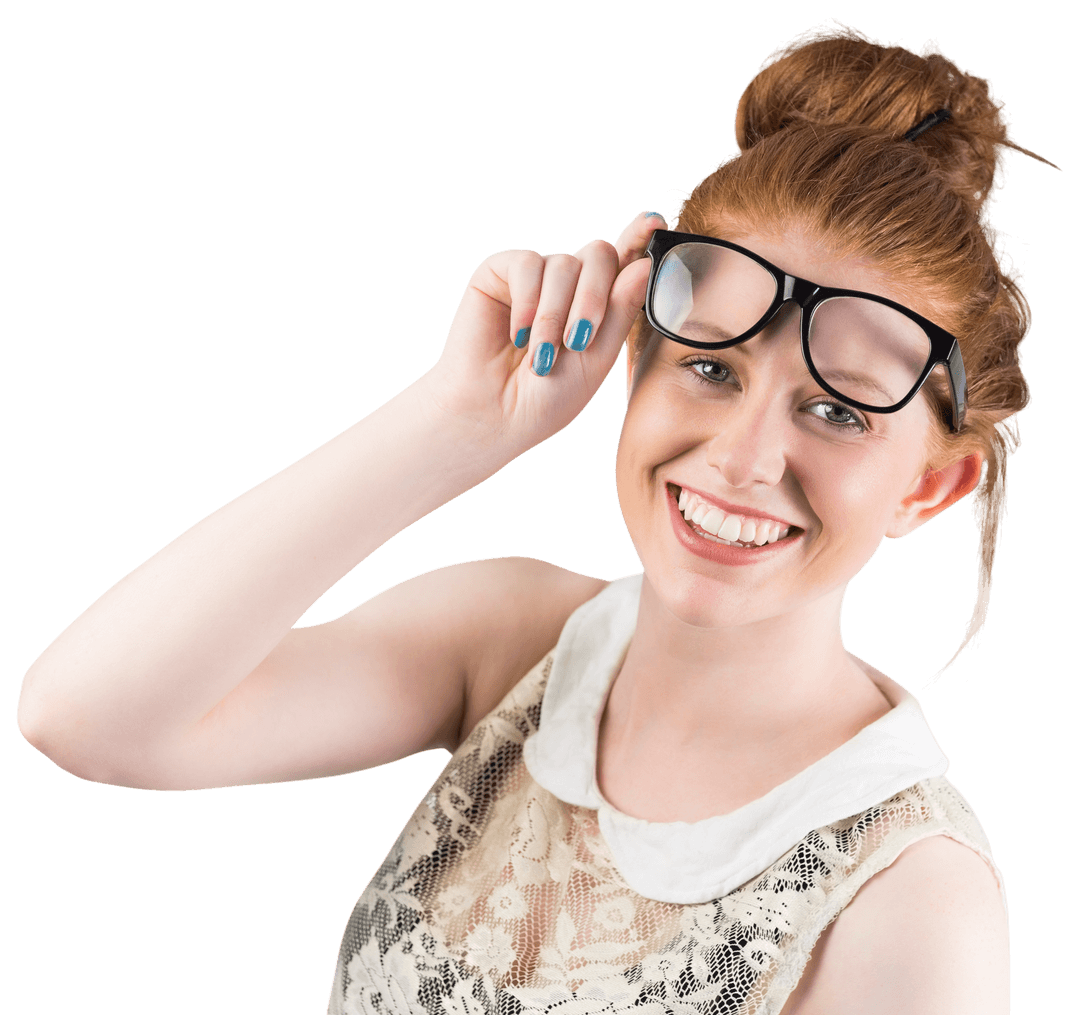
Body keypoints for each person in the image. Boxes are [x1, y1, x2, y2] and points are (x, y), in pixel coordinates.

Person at [16, 23, 1058, 1014]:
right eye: (708, 367)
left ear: (928, 487)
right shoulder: (515, 639)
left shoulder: (913, 895)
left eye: (834, 409)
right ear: (633, 365)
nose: (743, 457)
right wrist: (454, 426)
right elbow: (87, 716)